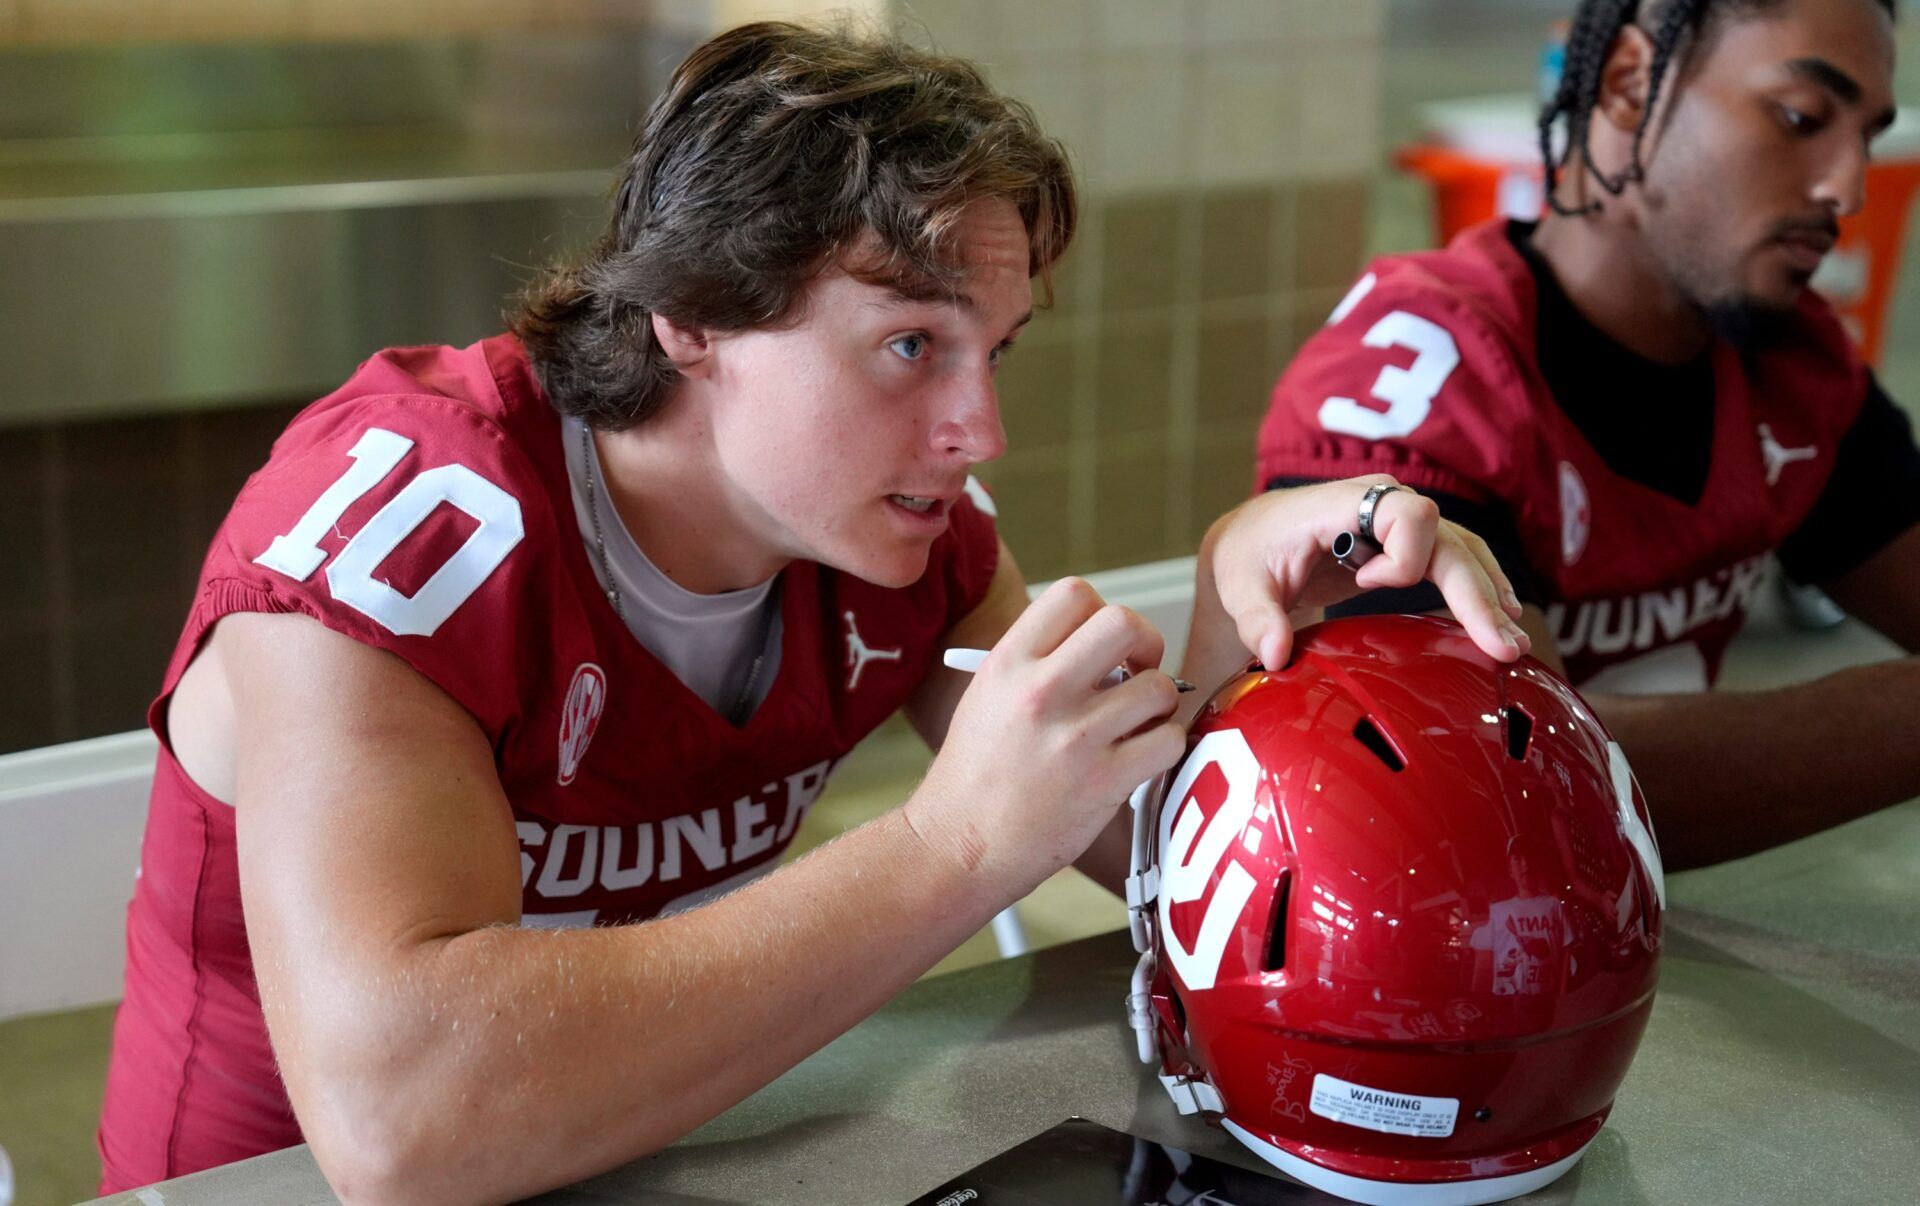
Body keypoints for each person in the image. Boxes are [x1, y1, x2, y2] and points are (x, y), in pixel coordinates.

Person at [96, 20, 1526, 1203]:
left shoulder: (891, 538)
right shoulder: (394, 529)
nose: (980, 430)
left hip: (665, 1158)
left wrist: (1242, 605)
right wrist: (950, 844)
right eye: (909, 345)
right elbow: (406, 1122)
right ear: (693, 314)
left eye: (994, 353)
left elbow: (1164, 863)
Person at [1256, 0, 1920, 872]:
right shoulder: (1414, 380)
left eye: (1867, 135)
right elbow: (1502, 779)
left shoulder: (1789, 361)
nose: (1847, 185)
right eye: (1801, 118)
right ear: (1628, 84)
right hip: (1418, 957)